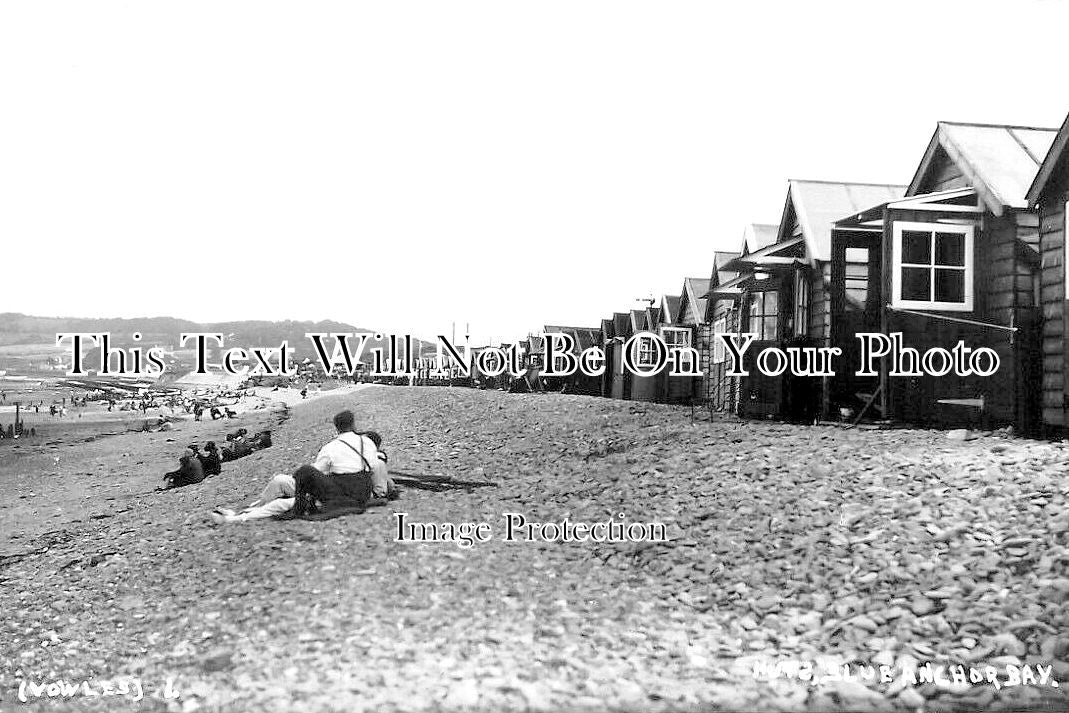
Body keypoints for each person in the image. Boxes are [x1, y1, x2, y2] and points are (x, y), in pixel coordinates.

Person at [211, 410, 393, 523]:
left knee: (281, 496)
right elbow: (372, 466)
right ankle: (249, 509)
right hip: (356, 488)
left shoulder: (330, 448)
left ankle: (236, 518)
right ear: (353, 424)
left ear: (336, 428)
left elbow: (317, 471)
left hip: (338, 493)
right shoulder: (366, 443)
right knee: (280, 481)